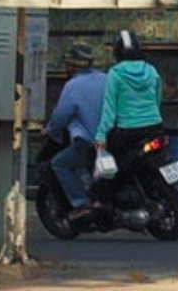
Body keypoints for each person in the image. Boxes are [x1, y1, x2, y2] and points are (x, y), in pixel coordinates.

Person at [43, 43, 107, 219]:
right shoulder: (105, 78)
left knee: (59, 163)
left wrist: (49, 130)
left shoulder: (73, 86)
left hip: (89, 142)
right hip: (114, 139)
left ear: (72, 65)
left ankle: (81, 202)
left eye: (67, 64)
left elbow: (61, 116)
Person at [95, 30, 165, 169]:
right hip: (155, 128)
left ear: (117, 52)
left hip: (128, 133)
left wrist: (101, 136)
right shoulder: (151, 70)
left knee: (112, 169)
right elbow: (158, 100)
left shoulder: (115, 74)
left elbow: (109, 111)